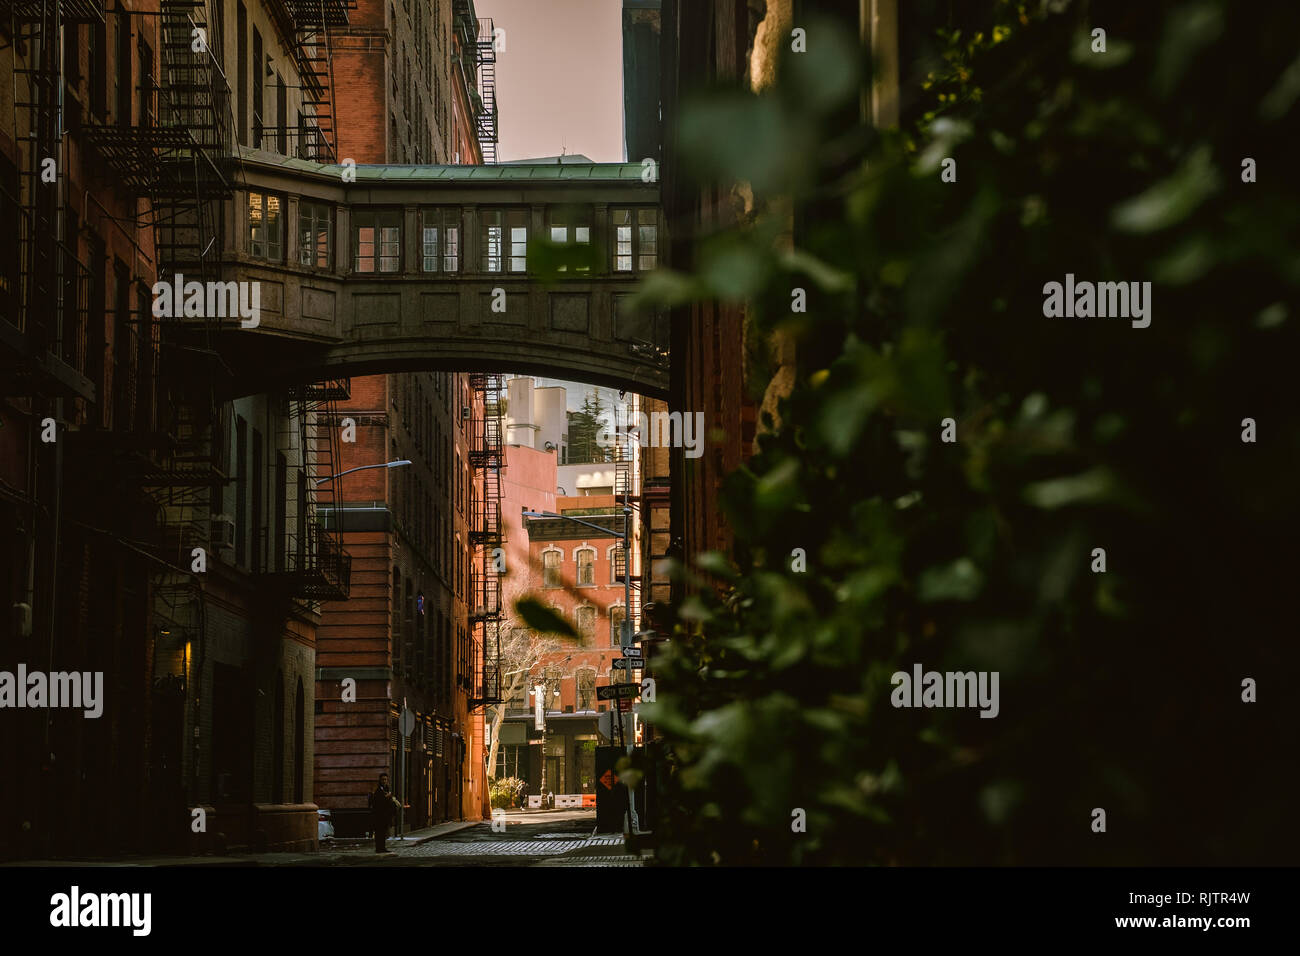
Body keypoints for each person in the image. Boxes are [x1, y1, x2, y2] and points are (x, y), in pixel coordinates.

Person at [370, 773, 399, 853]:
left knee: (383, 833)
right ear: (380, 780)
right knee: (379, 832)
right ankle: (379, 848)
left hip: (385, 815)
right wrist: (386, 797)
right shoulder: (378, 790)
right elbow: (377, 802)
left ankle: (382, 847)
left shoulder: (386, 788)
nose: (384, 781)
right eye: (383, 779)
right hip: (379, 815)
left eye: (385, 779)